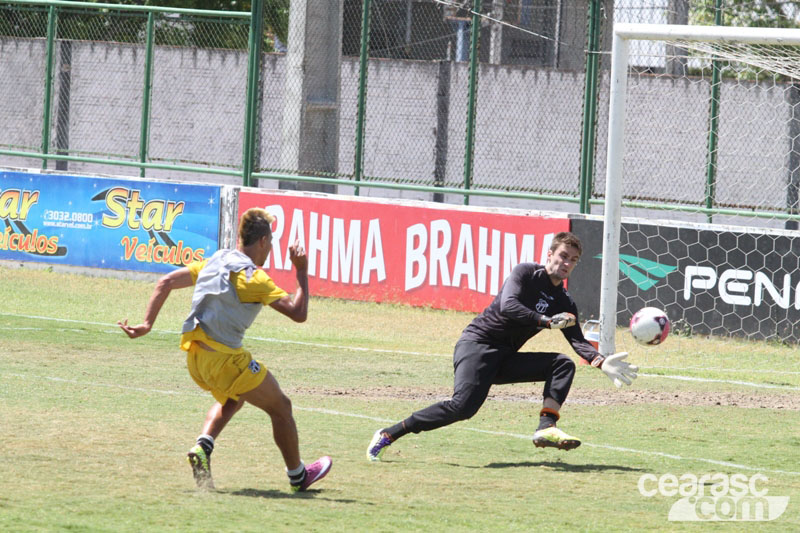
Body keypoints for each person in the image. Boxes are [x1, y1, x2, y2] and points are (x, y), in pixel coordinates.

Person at [367, 231, 637, 461]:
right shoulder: (526, 273)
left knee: (562, 364)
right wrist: (545, 321)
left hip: (505, 357)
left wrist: (601, 361)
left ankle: (546, 426)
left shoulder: (564, 301)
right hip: (477, 345)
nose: (567, 263)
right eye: (563, 256)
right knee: (463, 408)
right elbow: (509, 306)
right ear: (550, 254)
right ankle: (389, 433)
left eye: (573, 260)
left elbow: (576, 340)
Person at [119, 207, 331, 492]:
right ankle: (298, 476)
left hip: (195, 357)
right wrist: (301, 269)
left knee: (235, 396)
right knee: (281, 407)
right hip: (225, 359)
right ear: (263, 242)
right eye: (271, 242)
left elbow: (166, 281)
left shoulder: (217, 259)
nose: (271, 249)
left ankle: (203, 446)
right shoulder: (254, 278)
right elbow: (298, 312)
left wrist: (147, 324)